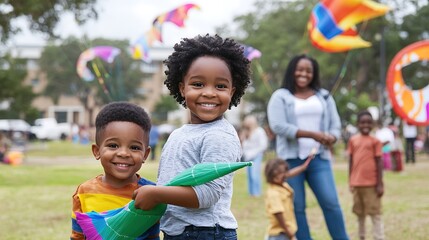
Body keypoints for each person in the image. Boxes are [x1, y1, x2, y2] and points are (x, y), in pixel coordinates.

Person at [132, 34, 251, 239]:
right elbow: (172, 182)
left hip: (206, 232)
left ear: (232, 92)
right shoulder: (179, 133)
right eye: (198, 84)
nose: (209, 93)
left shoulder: (219, 136)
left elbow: (208, 194)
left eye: (220, 86)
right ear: (182, 88)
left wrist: (156, 194)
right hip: (180, 231)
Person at [267, 54, 349, 240]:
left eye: (308, 71)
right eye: (300, 69)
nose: (304, 74)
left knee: (331, 203)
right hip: (290, 160)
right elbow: (278, 125)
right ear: (292, 71)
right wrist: (313, 134)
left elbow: (335, 125)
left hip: (318, 158)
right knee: (297, 207)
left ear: (314, 74)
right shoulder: (280, 96)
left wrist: (332, 137)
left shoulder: (324, 96)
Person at [70, 102, 160, 240]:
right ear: (96, 151)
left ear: (145, 154)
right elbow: (78, 236)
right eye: (113, 145)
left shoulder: (151, 194)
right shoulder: (84, 192)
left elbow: (153, 237)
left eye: (134, 147)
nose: (123, 153)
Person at [347, 110, 384, 240]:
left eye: (369, 122)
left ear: (373, 124)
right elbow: (351, 161)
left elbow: (379, 163)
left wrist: (380, 184)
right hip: (357, 184)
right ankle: (361, 236)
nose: (365, 125)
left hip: (372, 185)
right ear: (358, 124)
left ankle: (378, 237)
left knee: (375, 213)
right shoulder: (353, 140)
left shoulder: (376, 141)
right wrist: (350, 181)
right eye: (362, 122)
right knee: (359, 214)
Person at [264, 153, 314, 240]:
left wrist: (304, 165)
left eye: (285, 172)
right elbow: (277, 213)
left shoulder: (282, 184)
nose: (285, 175)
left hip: (286, 232)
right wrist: (288, 232)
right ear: (273, 175)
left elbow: (290, 174)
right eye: (281, 173)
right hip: (279, 235)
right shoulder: (274, 193)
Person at [240, 115, 268, 197]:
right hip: (248, 156)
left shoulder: (259, 131)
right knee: (249, 175)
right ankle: (251, 193)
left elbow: (263, 145)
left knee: (254, 174)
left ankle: (257, 193)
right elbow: (244, 145)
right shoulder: (245, 132)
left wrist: (254, 153)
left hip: (256, 155)